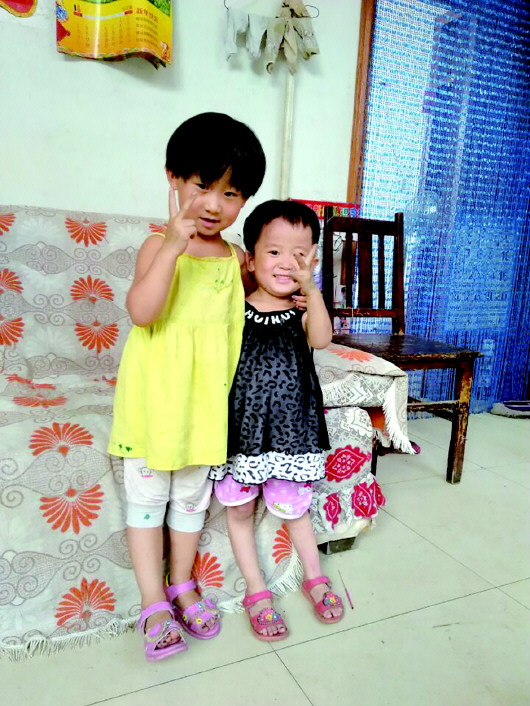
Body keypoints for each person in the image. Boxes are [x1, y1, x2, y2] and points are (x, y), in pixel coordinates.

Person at [108, 112, 266, 661]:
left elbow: (242, 317)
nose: (214, 204)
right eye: (202, 185)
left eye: (231, 193)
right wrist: (173, 247)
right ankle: (152, 600)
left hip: (205, 408)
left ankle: (182, 584)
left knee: (190, 502)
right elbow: (142, 313)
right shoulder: (158, 247)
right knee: (148, 501)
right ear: (173, 178)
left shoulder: (234, 260)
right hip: (155, 406)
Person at [209, 200, 344, 642]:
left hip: (292, 432)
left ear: (313, 262)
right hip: (243, 431)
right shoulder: (234, 308)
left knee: (295, 508)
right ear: (250, 259)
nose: (287, 263)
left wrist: (314, 292)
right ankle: (256, 590)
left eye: (300, 254)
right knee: (240, 509)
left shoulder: (305, 310)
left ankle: (315, 577)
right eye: (274, 252)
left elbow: (321, 339)